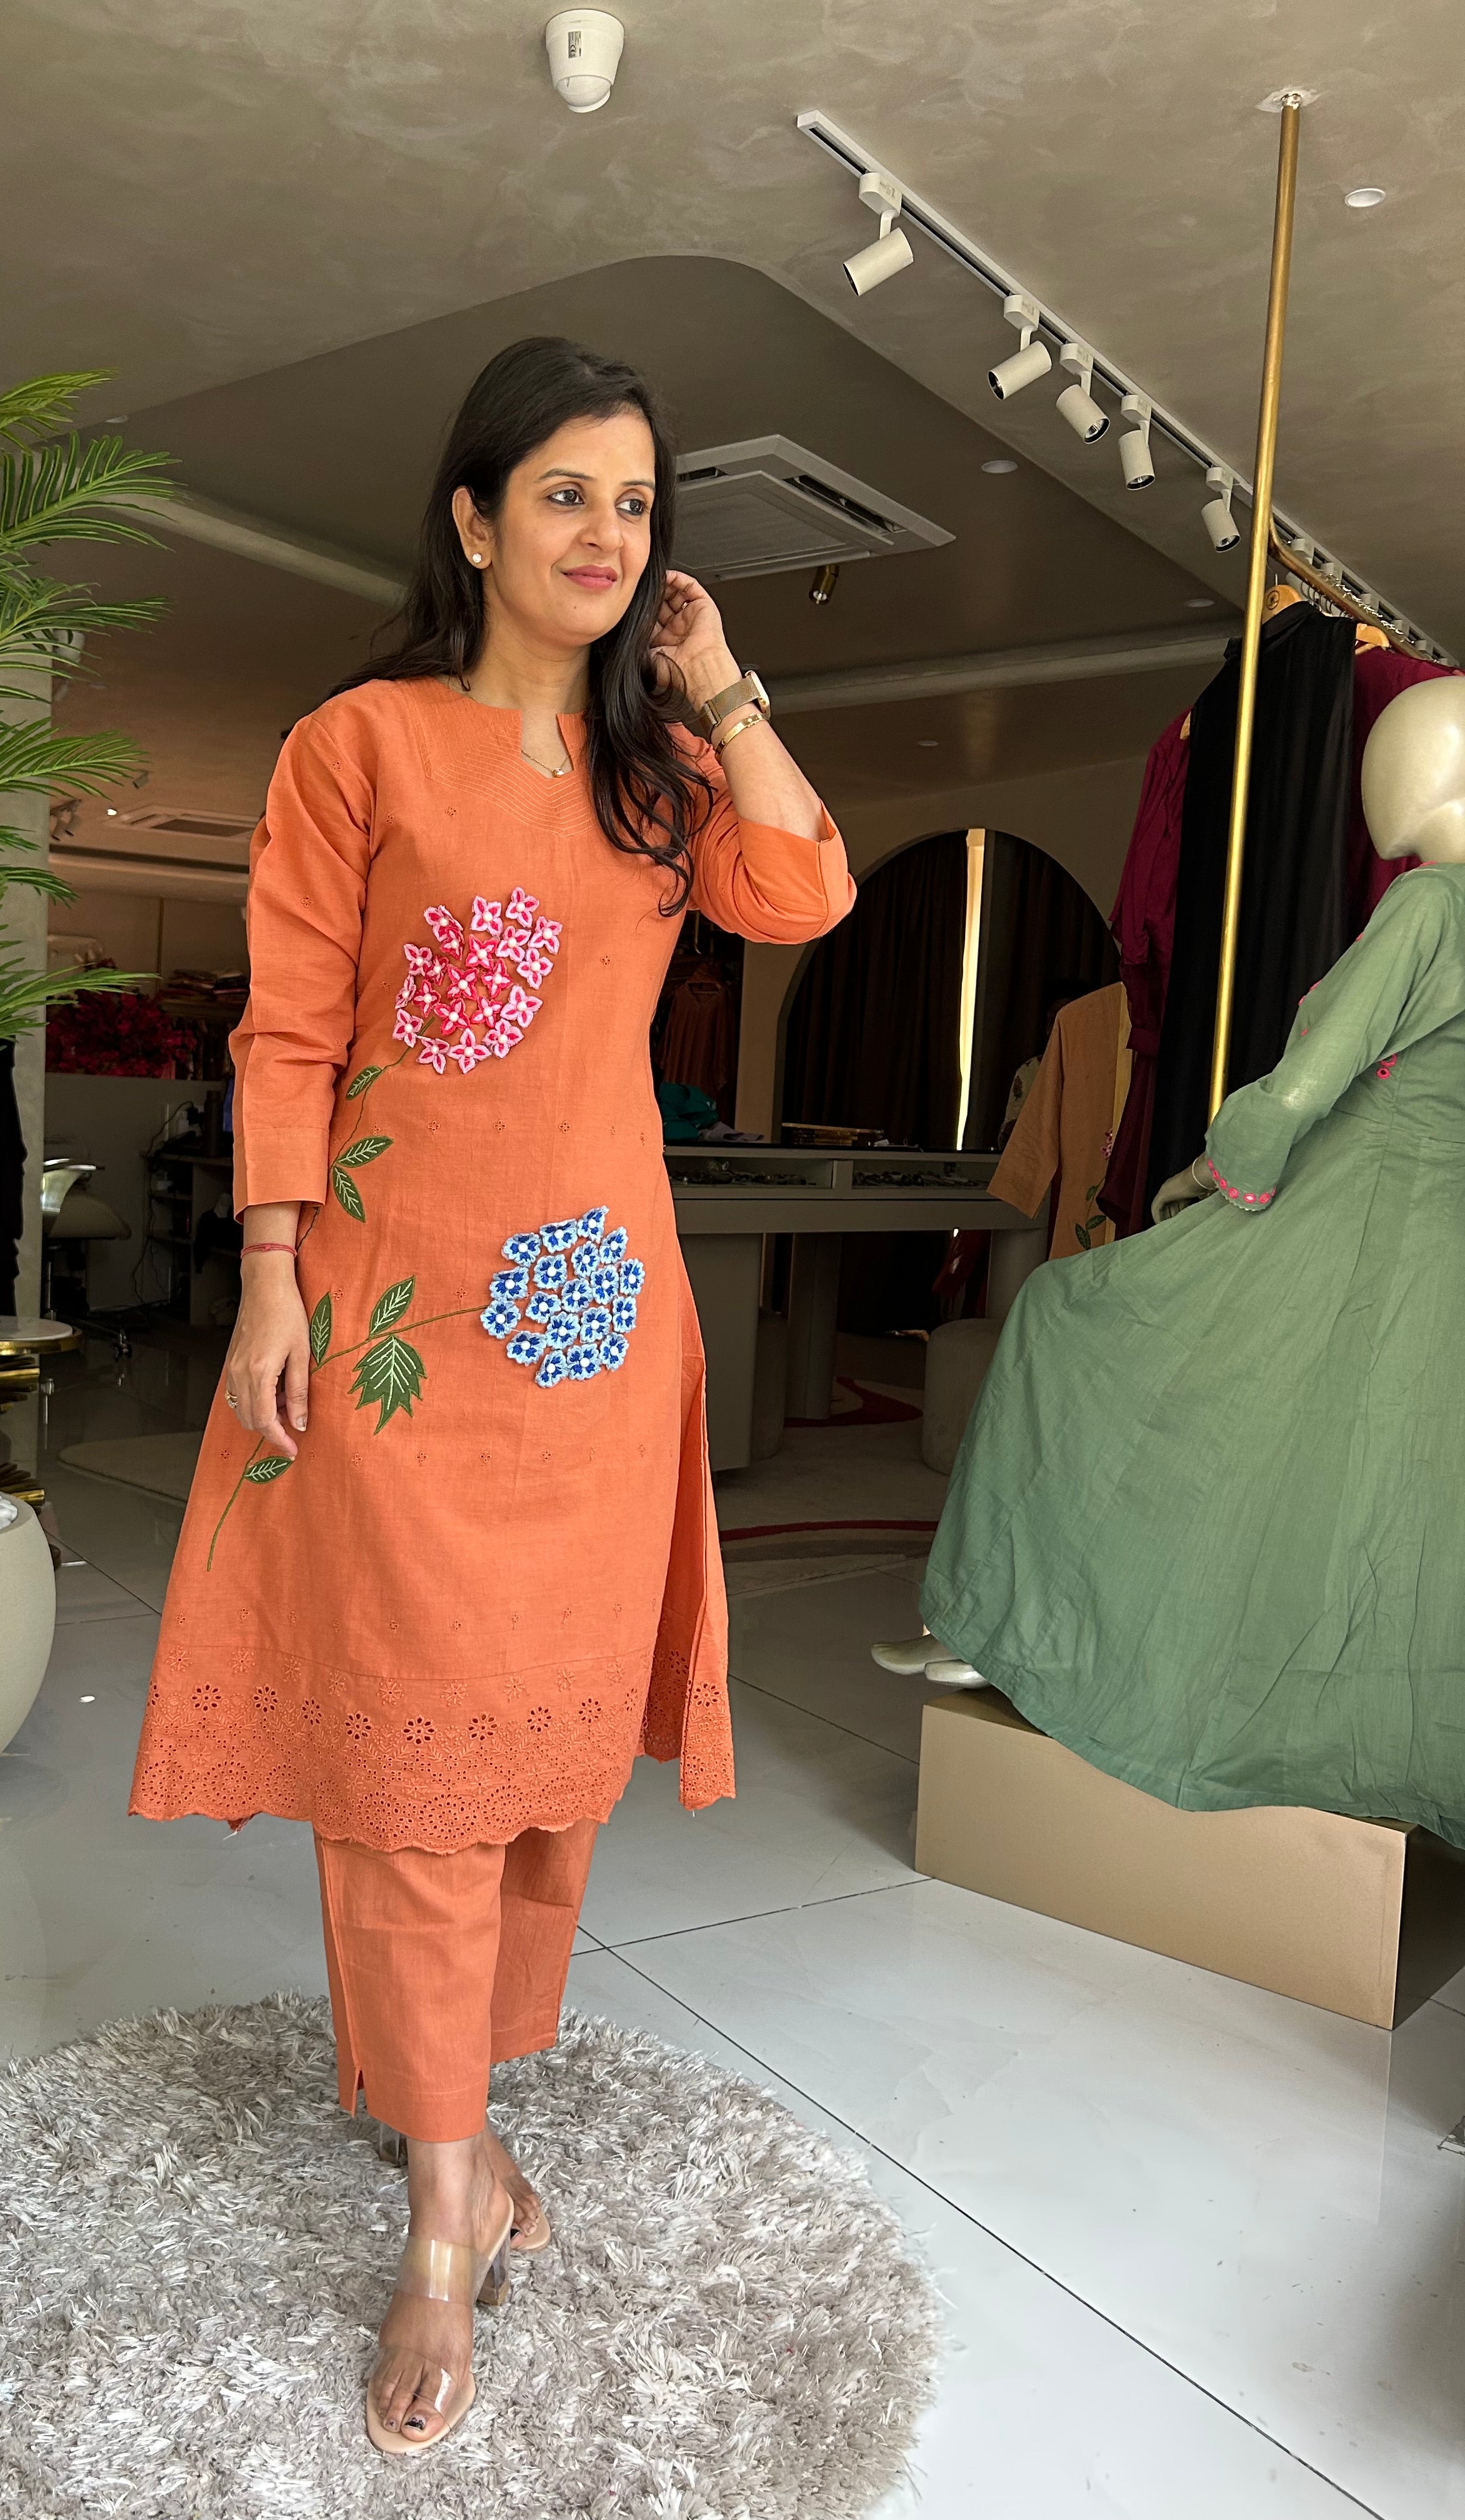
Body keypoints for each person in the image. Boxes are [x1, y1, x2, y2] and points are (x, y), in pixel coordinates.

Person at [128, 335, 852, 2454]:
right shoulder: (357, 744)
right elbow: (286, 1029)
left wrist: (719, 686)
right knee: (404, 1760)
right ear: (470, 517)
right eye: (563, 494)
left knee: (536, 1762)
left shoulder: (660, 779)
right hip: (390, 1318)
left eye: (635, 504)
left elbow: (806, 889)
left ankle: (458, 2119)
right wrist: (271, 1282)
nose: (604, 535)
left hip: (592, 1328)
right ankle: (445, 2210)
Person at [912, 681, 1465, 1849]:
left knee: (1069, 1318)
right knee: (1372, 1490)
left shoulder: (1430, 904)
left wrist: (1222, 1170)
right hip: (1435, 1260)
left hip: (1347, 1216)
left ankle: (1011, 1628)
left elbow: (1304, 1088)